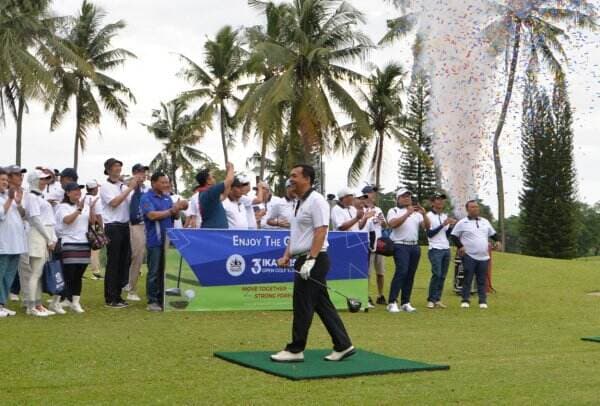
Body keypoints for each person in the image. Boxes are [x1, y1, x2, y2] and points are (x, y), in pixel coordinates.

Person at [272, 164, 354, 363]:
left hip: (314, 259)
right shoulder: (300, 202)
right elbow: (298, 234)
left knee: (302, 304)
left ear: (307, 179)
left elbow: (321, 231)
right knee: (321, 304)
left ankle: (295, 349)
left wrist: (311, 259)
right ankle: (343, 345)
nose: (290, 179)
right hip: (305, 258)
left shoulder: (317, 201)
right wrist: (286, 255)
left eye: (294, 175)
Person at [140, 172, 188, 312]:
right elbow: (152, 215)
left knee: (165, 271)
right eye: (163, 182)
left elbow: (175, 216)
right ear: (154, 183)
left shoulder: (167, 198)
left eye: (167, 182)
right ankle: (152, 301)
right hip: (155, 240)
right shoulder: (146, 198)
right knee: (154, 271)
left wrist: (178, 209)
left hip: (169, 241)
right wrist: (172, 210)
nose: (166, 185)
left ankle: (163, 299)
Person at [100, 158, 141, 308]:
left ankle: (118, 295)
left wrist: (135, 187)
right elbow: (114, 203)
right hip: (112, 226)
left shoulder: (122, 185)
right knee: (113, 262)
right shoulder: (105, 186)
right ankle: (110, 298)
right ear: (108, 170)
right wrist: (129, 188)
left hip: (124, 226)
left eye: (119, 166)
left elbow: (132, 203)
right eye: (115, 167)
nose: (118, 169)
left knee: (124, 262)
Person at [386, 189, 430, 313]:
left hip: (414, 246)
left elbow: (427, 227)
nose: (407, 198)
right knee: (401, 271)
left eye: (408, 196)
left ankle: (405, 302)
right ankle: (392, 302)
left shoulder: (416, 213)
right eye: (404, 196)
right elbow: (392, 224)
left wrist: (424, 214)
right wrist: (407, 214)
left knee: (410, 274)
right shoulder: (393, 211)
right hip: (400, 245)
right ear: (398, 199)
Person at [20, 170, 58, 317]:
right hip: (37, 235)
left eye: (46, 179)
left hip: (44, 234)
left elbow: (48, 220)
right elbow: (35, 219)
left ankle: (38, 304)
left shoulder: (40, 197)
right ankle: (31, 306)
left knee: (39, 272)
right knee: (35, 273)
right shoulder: (31, 196)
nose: (44, 182)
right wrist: (48, 238)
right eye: (42, 179)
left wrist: (51, 237)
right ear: (34, 180)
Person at [451, 200, 501, 309]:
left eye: (477, 207)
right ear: (467, 209)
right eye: (473, 207)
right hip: (469, 255)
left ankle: (482, 301)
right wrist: (460, 246)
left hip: (484, 256)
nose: (475, 209)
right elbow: (454, 236)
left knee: (482, 279)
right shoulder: (462, 222)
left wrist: (497, 241)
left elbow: (493, 234)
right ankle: (465, 300)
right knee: (467, 278)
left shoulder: (485, 222)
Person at [54, 182, 96, 313]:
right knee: (68, 274)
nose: (78, 192)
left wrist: (92, 208)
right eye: (75, 190)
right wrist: (78, 210)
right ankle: (57, 302)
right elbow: (67, 220)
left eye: (79, 190)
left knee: (79, 274)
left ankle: (75, 302)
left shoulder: (85, 206)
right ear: (67, 193)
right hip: (68, 242)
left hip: (83, 243)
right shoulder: (62, 207)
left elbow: (92, 221)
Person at [0, 167, 27, 317]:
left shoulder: (8, 196)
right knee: (0, 274)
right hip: (3, 245)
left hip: (15, 244)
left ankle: (2, 304)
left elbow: (22, 215)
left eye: (5, 179)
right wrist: (11, 200)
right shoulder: (6, 197)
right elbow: (1, 214)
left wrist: (17, 202)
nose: (5, 182)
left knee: (8, 276)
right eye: (2, 179)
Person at [425, 193, 456, 309]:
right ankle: (431, 299)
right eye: (438, 200)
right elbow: (430, 234)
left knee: (442, 276)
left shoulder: (444, 215)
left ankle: (437, 299)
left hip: (445, 248)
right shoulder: (428, 216)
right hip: (435, 249)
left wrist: (451, 226)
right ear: (433, 203)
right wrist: (443, 225)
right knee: (436, 274)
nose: (441, 202)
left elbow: (446, 235)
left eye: (442, 200)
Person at [358, 185, 387, 307]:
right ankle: (366, 295)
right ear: (364, 195)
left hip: (379, 244)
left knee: (380, 272)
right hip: (367, 244)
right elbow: (359, 226)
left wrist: (383, 222)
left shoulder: (379, 209)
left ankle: (380, 295)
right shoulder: (360, 210)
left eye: (374, 193)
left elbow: (385, 226)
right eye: (370, 193)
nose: (373, 195)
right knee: (367, 273)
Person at [126, 163, 150, 302]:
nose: (143, 175)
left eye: (144, 172)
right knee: (137, 256)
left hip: (149, 224)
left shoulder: (148, 189)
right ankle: (132, 289)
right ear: (134, 173)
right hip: (135, 225)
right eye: (140, 172)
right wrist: (133, 186)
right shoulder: (127, 187)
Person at [6, 165, 27, 301]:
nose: (20, 177)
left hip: (21, 235)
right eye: (17, 174)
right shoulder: (4, 193)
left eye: (21, 174)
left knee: (14, 270)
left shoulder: (25, 192)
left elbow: (24, 215)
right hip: (6, 236)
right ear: (9, 177)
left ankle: (6, 298)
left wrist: (19, 204)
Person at [197, 163, 235, 229]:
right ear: (208, 181)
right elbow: (229, 180)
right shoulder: (210, 192)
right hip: (213, 233)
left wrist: (228, 183)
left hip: (215, 232)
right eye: (213, 177)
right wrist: (231, 168)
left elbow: (224, 196)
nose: (215, 179)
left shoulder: (206, 193)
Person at [83, 180, 104, 280]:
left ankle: (86, 271)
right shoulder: (95, 198)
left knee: (86, 248)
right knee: (95, 249)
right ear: (94, 188)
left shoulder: (84, 198)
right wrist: (101, 228)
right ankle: (95, 271)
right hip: (94, 225)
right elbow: (98, 215)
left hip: (83, 225)